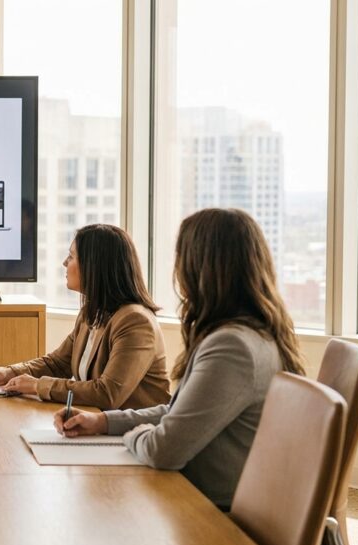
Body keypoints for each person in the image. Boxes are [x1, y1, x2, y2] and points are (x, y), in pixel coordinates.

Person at [54, 208, 304, 509]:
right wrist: (102, 421)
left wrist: (133, 434)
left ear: (199, 268)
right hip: (205, 495)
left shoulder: (231, 347)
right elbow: (178, 412)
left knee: (92, 510)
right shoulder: (252, 334)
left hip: (209, 509)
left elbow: (164, 450)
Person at [0, 224, 170, 410]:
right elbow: (58, 363)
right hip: (95, 425)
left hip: (135, 435)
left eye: (71, 256)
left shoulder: (135, 322)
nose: (64, 263)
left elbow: (107, 394)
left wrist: (37, 386)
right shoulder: (91, 312)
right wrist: (9, 373)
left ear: (94, 266)